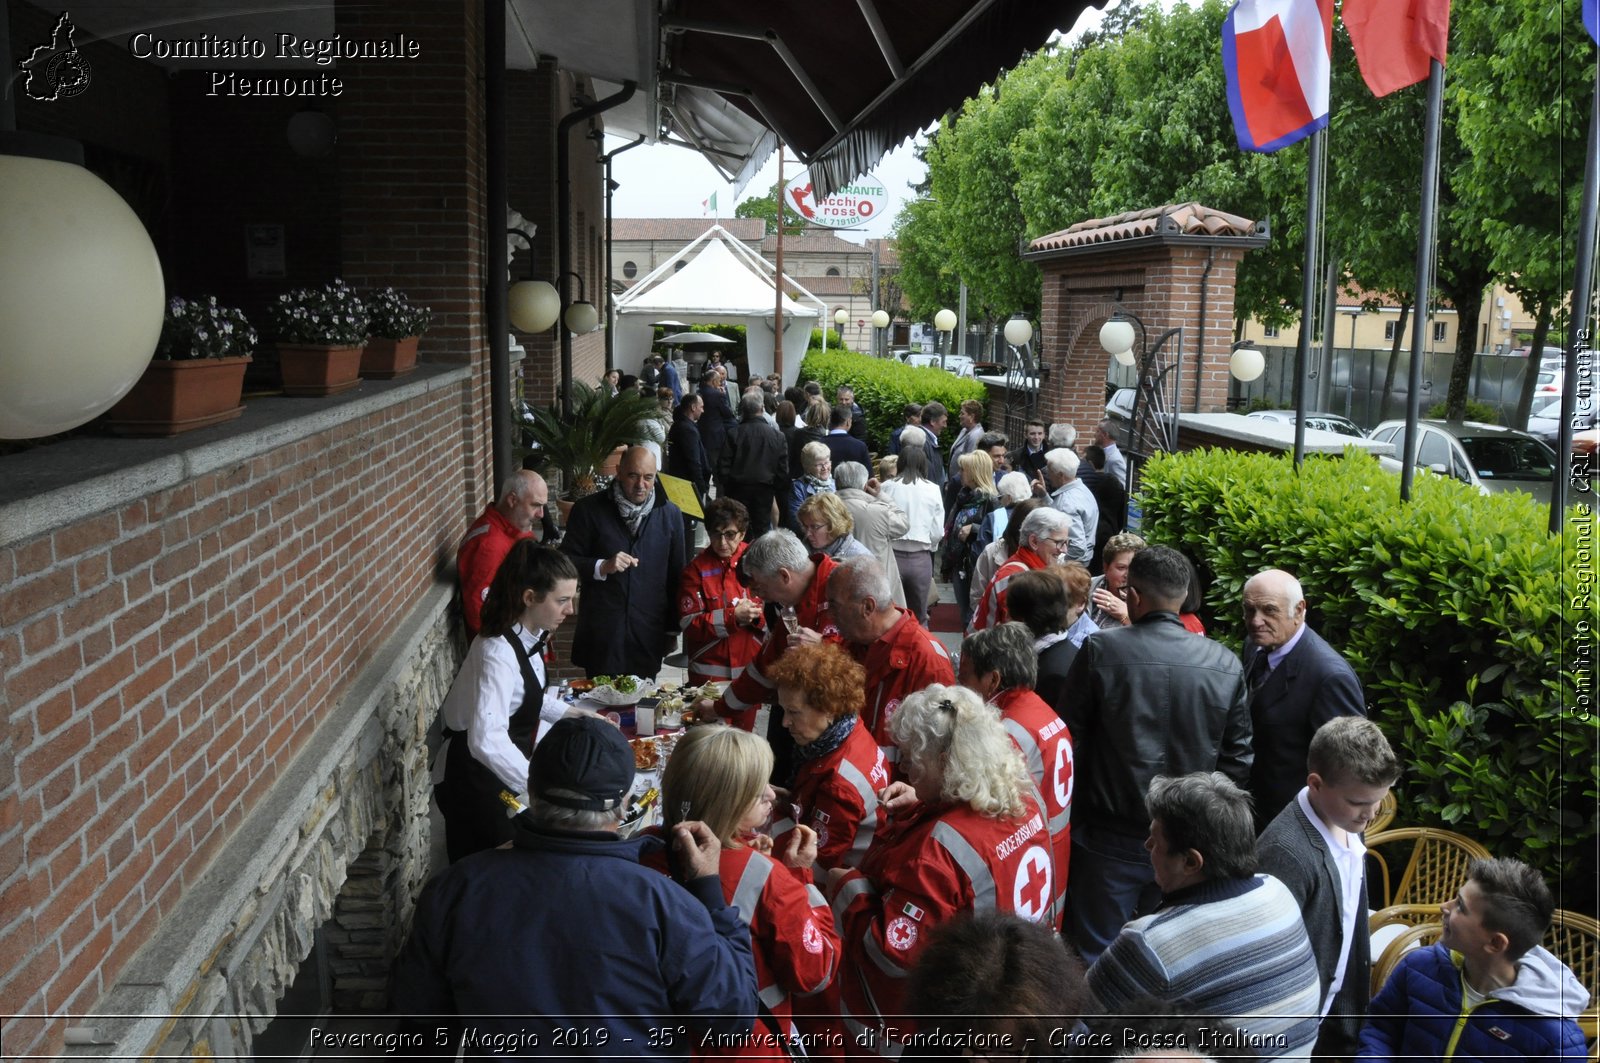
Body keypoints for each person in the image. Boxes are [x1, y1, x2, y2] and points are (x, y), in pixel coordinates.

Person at [394, 716, 759, 1057]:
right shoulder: (662, 903)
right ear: (624, 806)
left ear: (531, 793)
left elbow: (421, 1028)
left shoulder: (455, 890)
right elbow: (733, 1018)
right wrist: (709, 889)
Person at [827, 685, 1053, 1058]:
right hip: (1017, 991)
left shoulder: (938, 853)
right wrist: (928, 800)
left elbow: (892, 952)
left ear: (947, 761)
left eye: (916, 757)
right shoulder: (1025, 797)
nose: (906, 766)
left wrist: (846, 886)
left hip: (937, 1024)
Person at [1057, 545, 1252, 965]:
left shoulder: (1099, 651)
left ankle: (1085, 1032)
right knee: (1168, 959)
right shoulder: (1224, 662)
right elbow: (1236, 760)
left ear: (1134, 596)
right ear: (1182, 597)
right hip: (1186, 841)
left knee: (1091, 954)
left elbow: (1066, 744)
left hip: (1108, 837)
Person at [1087, 773, 1323, 1061]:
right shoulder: (1277, 890)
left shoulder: (1151, 942)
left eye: (1156, 839)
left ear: (1190, 862)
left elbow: (1076, 1023)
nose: (1147, 845)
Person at [643, 726, 840, 1054]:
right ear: (726, 801)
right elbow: (815, 971)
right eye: (755, 789)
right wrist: (799, 879)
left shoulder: (641, 849)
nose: (772, 795)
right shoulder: (769, 878)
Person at [1258, 717, 1401, 1058]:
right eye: (1358, 802)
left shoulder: (1347, 820)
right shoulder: (1285, 854)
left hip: (1333, 1014)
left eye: (1378, 800)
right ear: (1316, 783)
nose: (1370, 814)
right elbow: (1268, 959)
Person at [1357, 857, 1590, 1062]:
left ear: (1495, 943)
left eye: (1460, 906)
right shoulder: (1419, 966)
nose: (1443, 907)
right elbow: (1381, 1029)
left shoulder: (1557, 1040)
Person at [434, 542, 581, 862]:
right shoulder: (496, 652)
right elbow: (487, 740)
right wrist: (538, 792)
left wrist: (577, 715)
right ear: (530, 598)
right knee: (486, 876)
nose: (570, 610)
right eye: (562, 600)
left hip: (499, 774)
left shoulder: (531, 635)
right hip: (476, 782)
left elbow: (524, 698)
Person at [959, 622, 1074, 931]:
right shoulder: (1042, 711)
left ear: (993, 679)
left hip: (1027, 850)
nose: (958, 685)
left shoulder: (1005, 733)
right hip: (1052, 847)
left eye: (964, 675)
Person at [1241, 568, 1366, 829]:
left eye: (1269, 610)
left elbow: (1349, 768)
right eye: (1249, 610)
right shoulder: (1255, 645)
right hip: (1252, 815)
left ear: (1299, 610)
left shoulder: (1329, 677)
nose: (1255, 620)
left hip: (1297, 826)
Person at [561, 446, 686, 680]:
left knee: (642, 711)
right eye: (633, 475)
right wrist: (601, 566)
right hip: (603, 636)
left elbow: (676, 576)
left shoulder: (670, 515)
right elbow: (564, 562)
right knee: (600, 710)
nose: (641, 484)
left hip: (647, 635)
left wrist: (672, 630)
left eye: (648, 477)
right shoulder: (588, 510)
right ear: (618, 472)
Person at [765, 642, 889, 871]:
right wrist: (789, 800)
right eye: (783, 710)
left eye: (793, 712)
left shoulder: (839, 786)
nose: (784, 722)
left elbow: (815, 865)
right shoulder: (850, 729)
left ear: (829, 709)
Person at [701, 530, 841, 731]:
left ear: (784, 576)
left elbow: (877, 650)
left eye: (761, 588)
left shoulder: (845, 586)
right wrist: (719, 708)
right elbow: (763, 667)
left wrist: (825, 647)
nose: (763, 598)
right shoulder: (792, 604)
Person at [906, 913, 1093, 1060]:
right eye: (966, 1042)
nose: (978, 1061)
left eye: (1000, 1049)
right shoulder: (930, 1045)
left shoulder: (1074, 1053)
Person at [825, 555, 955, 765]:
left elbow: (937, 757)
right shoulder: (851, 644)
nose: (829, 615)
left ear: (867, 607)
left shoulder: (928, 660)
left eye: (834, 605)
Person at [679, 497, 765, 691]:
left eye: (730, 534)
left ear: (742, 534)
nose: (722, 542)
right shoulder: (695, 570)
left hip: (749, 668)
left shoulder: (757, 560)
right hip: (709, 675)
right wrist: (733, 617)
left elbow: (779, 607)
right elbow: (689, 624)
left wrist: (756, 616)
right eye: (716, 534)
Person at [457, 470, 551, 637]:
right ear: (512, 500)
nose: (541, 514)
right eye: (536, 505)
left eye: (543, 506)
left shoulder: (516, 529)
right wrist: (512, 651)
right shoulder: (488, 545)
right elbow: (479, 613)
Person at [968, 506, 1073, 634]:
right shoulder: (1014, 578)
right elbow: (1016, 641)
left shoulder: (1028, 571)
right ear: (1034, 541)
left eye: (1067, 543)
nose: (1064, 550)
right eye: (1059, 542)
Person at [1005, 564, 1095, 709]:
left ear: (1021, 618)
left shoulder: (1053, 674)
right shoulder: (1052, 653)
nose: (1006, 618)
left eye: (1009, 611)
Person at [876, 443, 944, 627]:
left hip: (892, 556)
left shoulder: (886, 487)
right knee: (920, 616)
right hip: (920, 558)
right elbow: (937, 531)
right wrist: (931, 548)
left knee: (890, 614)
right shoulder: (933, 489)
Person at [833, 461, 909, 608]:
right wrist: (881, 495)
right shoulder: (876, 511)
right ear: (864, 485)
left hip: (837, 585)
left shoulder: (823, 508)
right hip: (876, 585)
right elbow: (903, 524)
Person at [943, 450, 1001, 631]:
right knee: (964, 614)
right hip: (959, 562)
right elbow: (951, 526)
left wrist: (974, 529)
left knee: (973, 616)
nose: (960, 473)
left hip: (975, 565)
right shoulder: (964, 495)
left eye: (964, 469)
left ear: (975, 472)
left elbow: (998, 533)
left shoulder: (990, 500)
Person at [719, 391, 789, 540]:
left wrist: (728, 486)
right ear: (762, 408)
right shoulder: (777, 436)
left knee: (737, 529)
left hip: (738, 490)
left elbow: (723, 465)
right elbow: (782, 470)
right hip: (764, 490)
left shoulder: (734, 433)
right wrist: (775, 488)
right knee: (761, 531)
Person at [969, 471, 1034, 593]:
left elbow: (979, 553)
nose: (999, 501)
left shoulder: (994, 517)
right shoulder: (1042, 513)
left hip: (999, 582)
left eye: (1000, 497)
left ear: (1009, 498)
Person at [1042, 448, 1098, 567]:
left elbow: (1077, 547)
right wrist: (1044, 496)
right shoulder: (1082, 490)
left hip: (1071, 568)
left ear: (1060, 475)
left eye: (1049, 470)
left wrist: (1059, 563)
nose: (1047, 473)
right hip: (1082, 563)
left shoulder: (1067, 503)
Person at [1079, 444, 1128, 574]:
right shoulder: (1114, 483)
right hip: (1111, 532)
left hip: (1094, 533)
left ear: (1090, 463)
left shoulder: (1091, 483)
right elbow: (1122, 513)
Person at [1086, 531, 1146, 629]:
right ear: (1105, 567)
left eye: (1134, 568)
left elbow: (1152, 639)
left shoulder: (1150, 600)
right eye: (1121, 568)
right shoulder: (1085, 588)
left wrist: (1126, 617)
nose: (1128, 575)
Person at [666, 391, 711, 512]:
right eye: (701, 407)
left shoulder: (681, 425)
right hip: (688, 486)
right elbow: (693, 462)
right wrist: (701, 488)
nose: (703, 411)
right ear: (693, 407)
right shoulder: (687, 430)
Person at [797, 491, 872, 561]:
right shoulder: (801, 551)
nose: (807, 534)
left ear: (834, 525)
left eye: (815, 527)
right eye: (805, 526)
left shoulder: (860, 558)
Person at [698, 367, 738, 474]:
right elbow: (727, 413)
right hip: (715, 434)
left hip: (701, 430)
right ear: (713, 381)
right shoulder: (718, 395)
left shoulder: (698, 392)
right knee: (716, 465)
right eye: (719, 381)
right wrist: (723, 395)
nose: (720, 383)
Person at [944, 399, 987, 489]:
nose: (959, 416)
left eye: (962, 413)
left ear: (971, 416)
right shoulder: (964, 430)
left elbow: (969, 466)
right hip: (953, 483)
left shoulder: (976, 436)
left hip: (960, 487)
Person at [789, 441, 835, 524]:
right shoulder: (798, 487)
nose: (824, 468)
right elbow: (796, 520)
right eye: (819, 465)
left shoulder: (835, 484)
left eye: (827, 462)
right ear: (807, 467)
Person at [823, 403, 872, 471]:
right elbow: (869, 475)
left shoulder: (819, 444)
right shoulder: (860, 446)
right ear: (848, 422)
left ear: (830, 421)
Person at [917, 401, 949, 490]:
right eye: (944, 421)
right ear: (932, 422)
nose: (945, 426)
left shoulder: (925, 439)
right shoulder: (922, 442)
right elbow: (928, 476)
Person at [1009, 420, 1049, 484]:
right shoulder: (1016, 456)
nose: (1036, 437)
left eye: (1040, 433)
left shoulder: (1052, 454)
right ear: (1025, 435)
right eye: (1032, 434)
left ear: (1044, 435)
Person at [1096, 418, 1128, 485]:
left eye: (1097, 431)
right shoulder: (1102, 452)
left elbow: (1122, 488)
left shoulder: (1115, 460)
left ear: (1105, 435)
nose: (1094, 435)